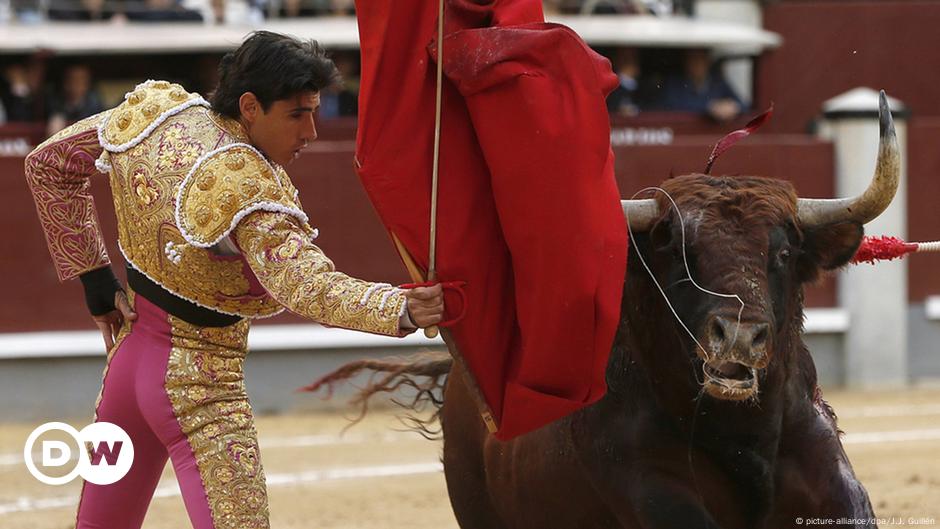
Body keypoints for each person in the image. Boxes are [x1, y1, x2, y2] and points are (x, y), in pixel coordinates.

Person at [24, 31, 444, 529]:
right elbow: (304, 285)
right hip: (202, 386)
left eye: (314, 111)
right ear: (249, 106)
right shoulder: (245, 186)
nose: (310, 131)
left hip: (127, 366)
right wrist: (399, 308)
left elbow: (47, 165)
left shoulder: (160, 115)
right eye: (296, 114)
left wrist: (96, 284)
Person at [656, 48, 744, 122]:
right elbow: (672, 105)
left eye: (701, 59)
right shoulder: (674, 83)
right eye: (693, 59)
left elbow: (744, 105)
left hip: (713, 135)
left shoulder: (718, 82)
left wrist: (733, 107)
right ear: (686, 62)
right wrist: (709, 107)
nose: (697, 64)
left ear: (708, 61)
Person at [46, 64, 105, 136]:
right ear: (65, 83)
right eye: (72, 79)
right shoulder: (54, 102)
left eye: (81, 80)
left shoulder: (95, 105)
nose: (76, 84)